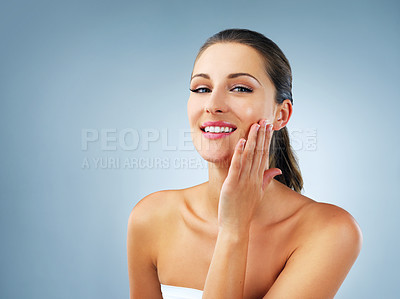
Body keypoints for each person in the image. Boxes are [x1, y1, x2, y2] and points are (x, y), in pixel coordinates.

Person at [127, 28, 363, 299]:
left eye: (240, 88)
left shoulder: (330, 231)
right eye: (201, 88)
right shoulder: (151, 218)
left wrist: (234, 230)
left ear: (281, 114)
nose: (213, 105)